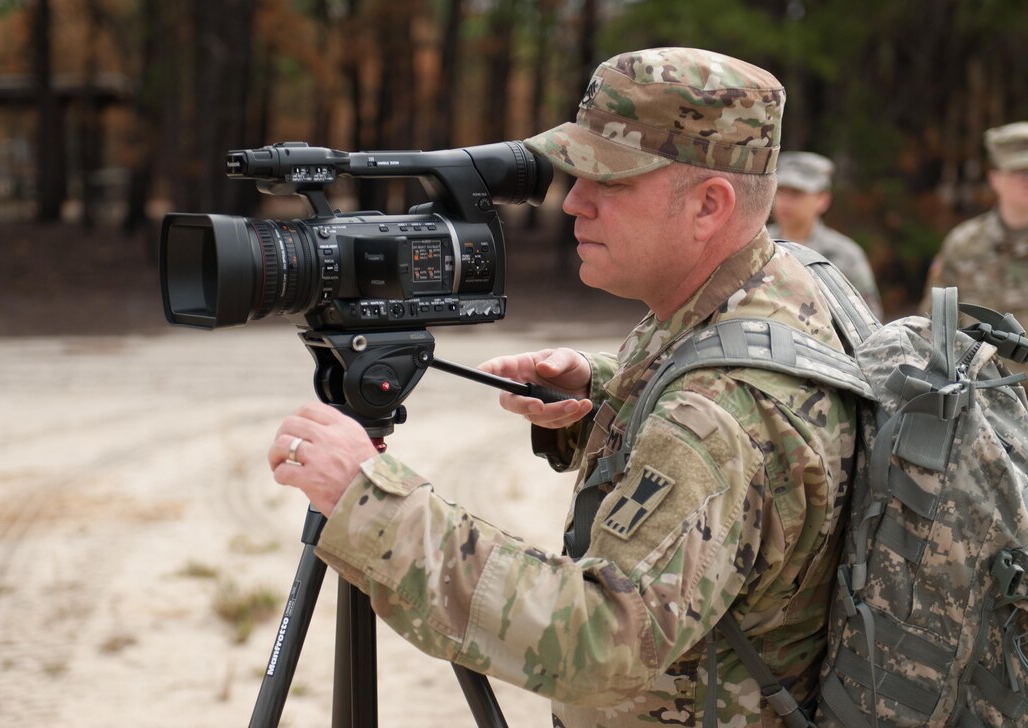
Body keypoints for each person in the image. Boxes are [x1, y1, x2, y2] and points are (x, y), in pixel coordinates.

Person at [268, 47, 856, 727]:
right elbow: (775, 480)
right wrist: (606, 394)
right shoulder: (786, 287)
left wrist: (371, 504)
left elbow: (604, 639)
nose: (574, 200)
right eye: (576, 173)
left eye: (611, 181)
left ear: (709, 205)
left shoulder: (720, 410)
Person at [922, 121, 1028, 376]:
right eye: (1019, 172)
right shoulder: (964, 245)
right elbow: (934, 325)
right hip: (981, 397)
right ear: (995, 179)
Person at [768, 151, 884, 319]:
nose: (785, 202)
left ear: (823, 200)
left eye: (796, 193)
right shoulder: (756, 244)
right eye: (781, 192)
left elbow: (868, 321)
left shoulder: (845, 255)